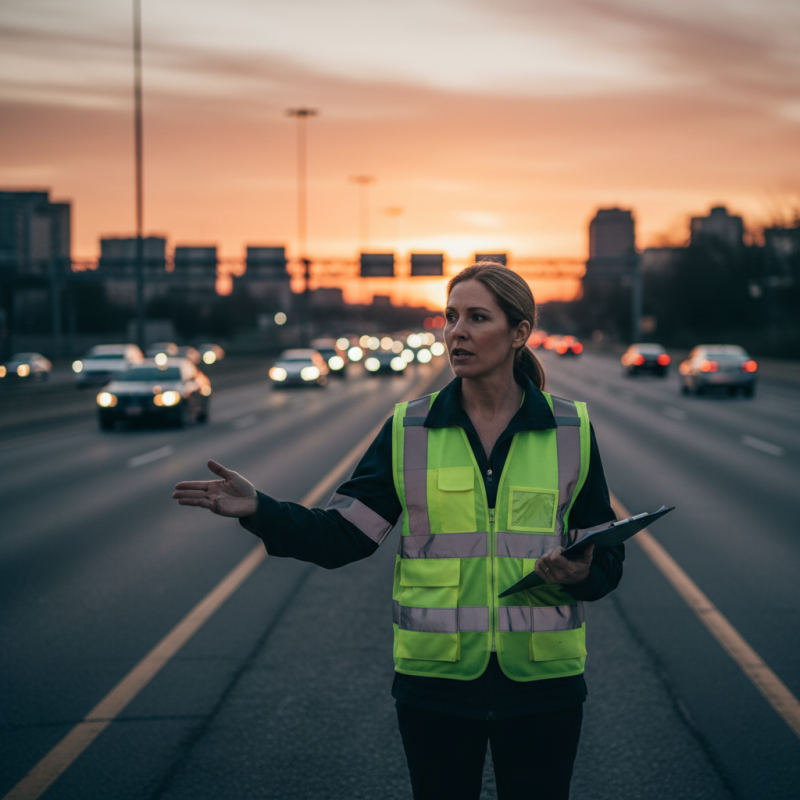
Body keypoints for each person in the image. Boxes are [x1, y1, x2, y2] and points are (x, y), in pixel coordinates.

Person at [172, 262, 623, 800]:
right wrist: (260, 509)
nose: (457, 332)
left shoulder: (570, 429)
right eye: (451, 316)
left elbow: (607, 563)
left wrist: (581, 572)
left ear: (518, 333)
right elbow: (343, 536)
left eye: (478, 318)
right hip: (435, 689)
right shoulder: (409, 429)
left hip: (544, 689)